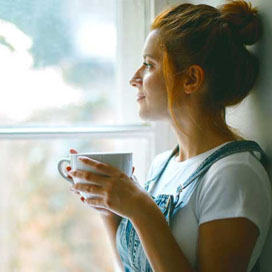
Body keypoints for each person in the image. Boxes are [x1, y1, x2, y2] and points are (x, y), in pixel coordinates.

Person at [66, 1, 272, 271]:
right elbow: (137, 266)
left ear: (191, 80)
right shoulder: (163, 165)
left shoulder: (234, 175)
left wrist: (140, 208)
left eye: (148, 65)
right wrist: (108, 206)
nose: (134, 78)